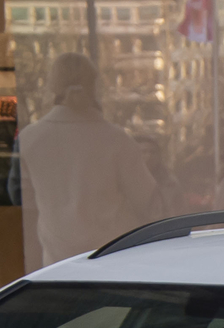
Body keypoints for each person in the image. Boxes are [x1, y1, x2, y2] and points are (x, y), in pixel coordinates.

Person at [15, 50, 161, 269]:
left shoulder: (28, 140)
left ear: (52, 86)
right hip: (113, 262)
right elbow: (148, 202)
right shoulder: (116, 139)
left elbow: (21, 203)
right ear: (94, 87)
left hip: (56, 266)